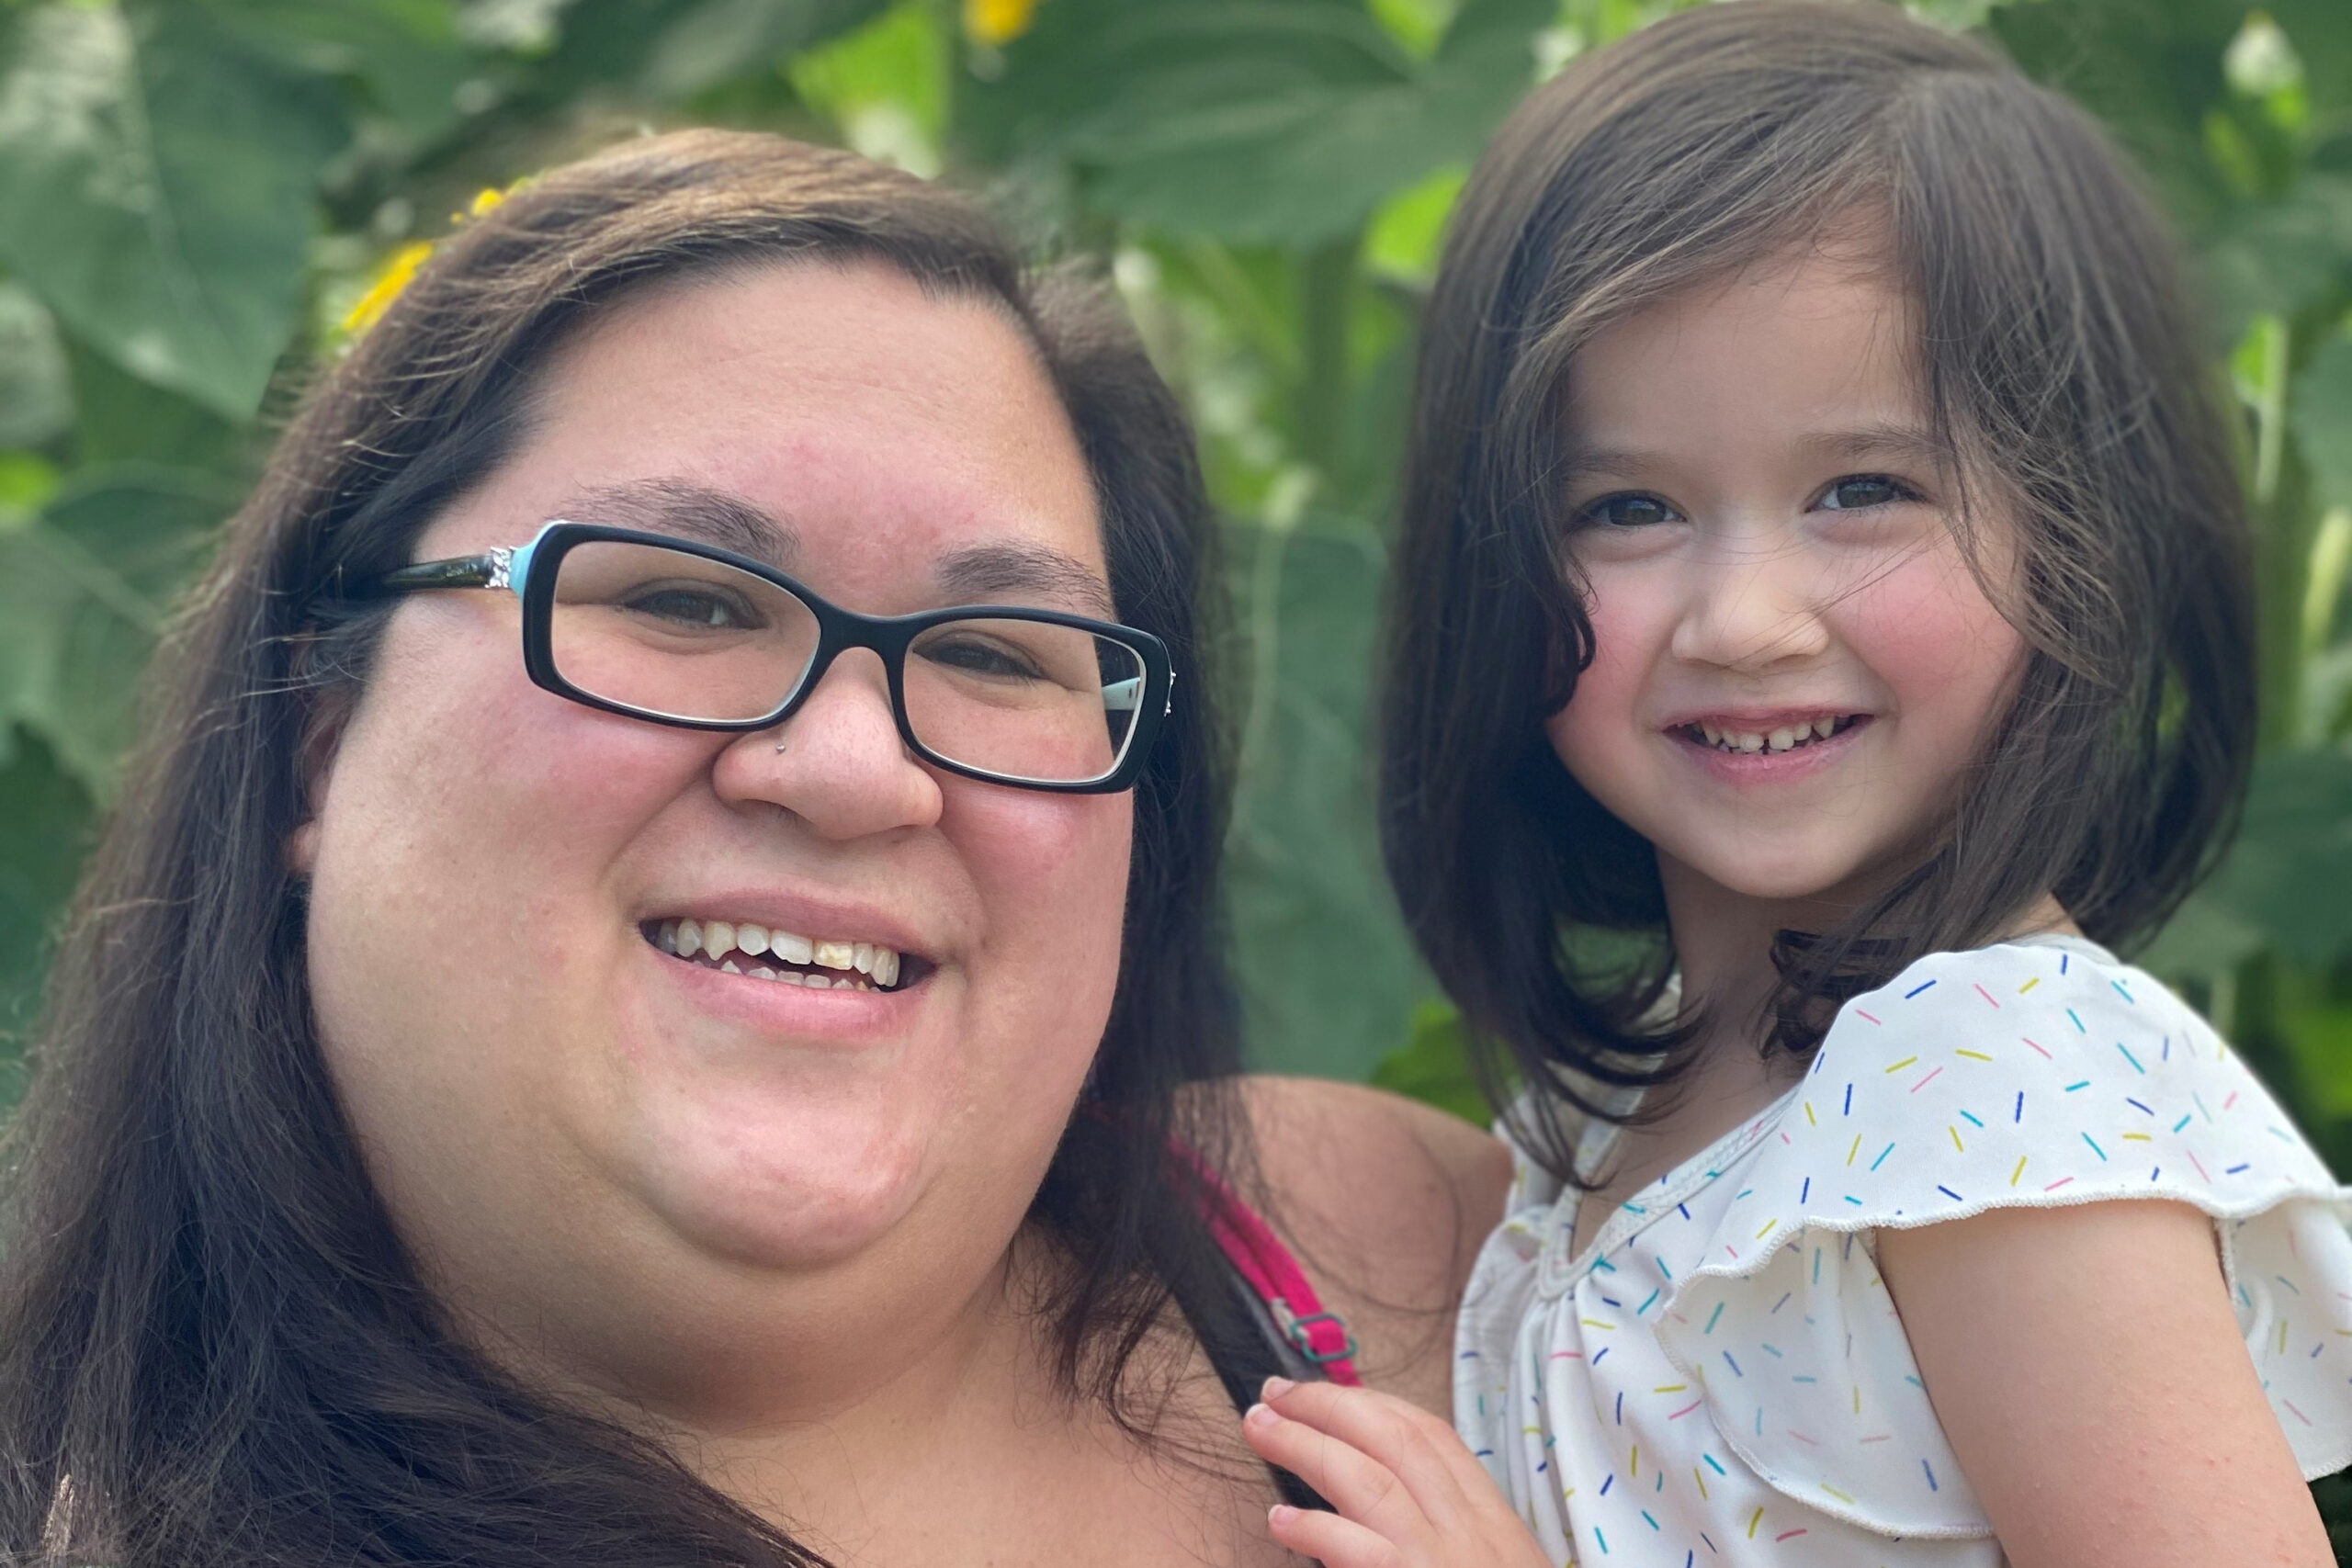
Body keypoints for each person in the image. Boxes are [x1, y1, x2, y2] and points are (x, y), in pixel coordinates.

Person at [0, 130, 1508, 1567]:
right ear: (316, 736)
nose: (858, 770)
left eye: (995, 652)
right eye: (685, 603)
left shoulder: (1446, 1274)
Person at [1243, 5, 2349, 1565]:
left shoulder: (1987, 1089)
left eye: (1861, 491)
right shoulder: (1614, 1105)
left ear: (2082, 532)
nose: (1745, 620)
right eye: (1626, 506)